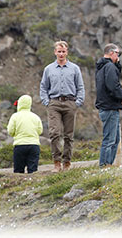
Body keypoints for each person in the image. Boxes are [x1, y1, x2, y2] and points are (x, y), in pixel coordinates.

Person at [39, 40, 85, 171]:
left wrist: (78, 102)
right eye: (59, 51)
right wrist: (46, 102)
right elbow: (43, 87)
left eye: (63, 51)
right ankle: (56, 162)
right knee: (54, 133)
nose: (61, 54)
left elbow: (80, 86)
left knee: (68, 135)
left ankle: (67, 162)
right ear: (55, 52)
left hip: (70, 102)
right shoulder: (48, 69)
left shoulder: (75, 68)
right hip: (54, 103)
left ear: (67, 52)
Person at [95, 42, 122, 166]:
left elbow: (114, 78)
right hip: (109, 107)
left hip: (106, 107)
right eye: (118, 53)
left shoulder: (102, 66)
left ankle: (107, 164)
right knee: (109, 140)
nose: (119, 56)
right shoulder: (109, 67)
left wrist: (117, 64)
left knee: (114, 140)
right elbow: (113, 86)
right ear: (112, 53)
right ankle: (105, 166)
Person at [7, 94, 44, 173]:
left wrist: (15, 135)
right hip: (34, 146)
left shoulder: (15, 116)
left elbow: (10, 131)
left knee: (18, 171)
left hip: (20, 145)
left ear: (19, 104)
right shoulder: (35, 117)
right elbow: (40, 131)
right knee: (33, 171)